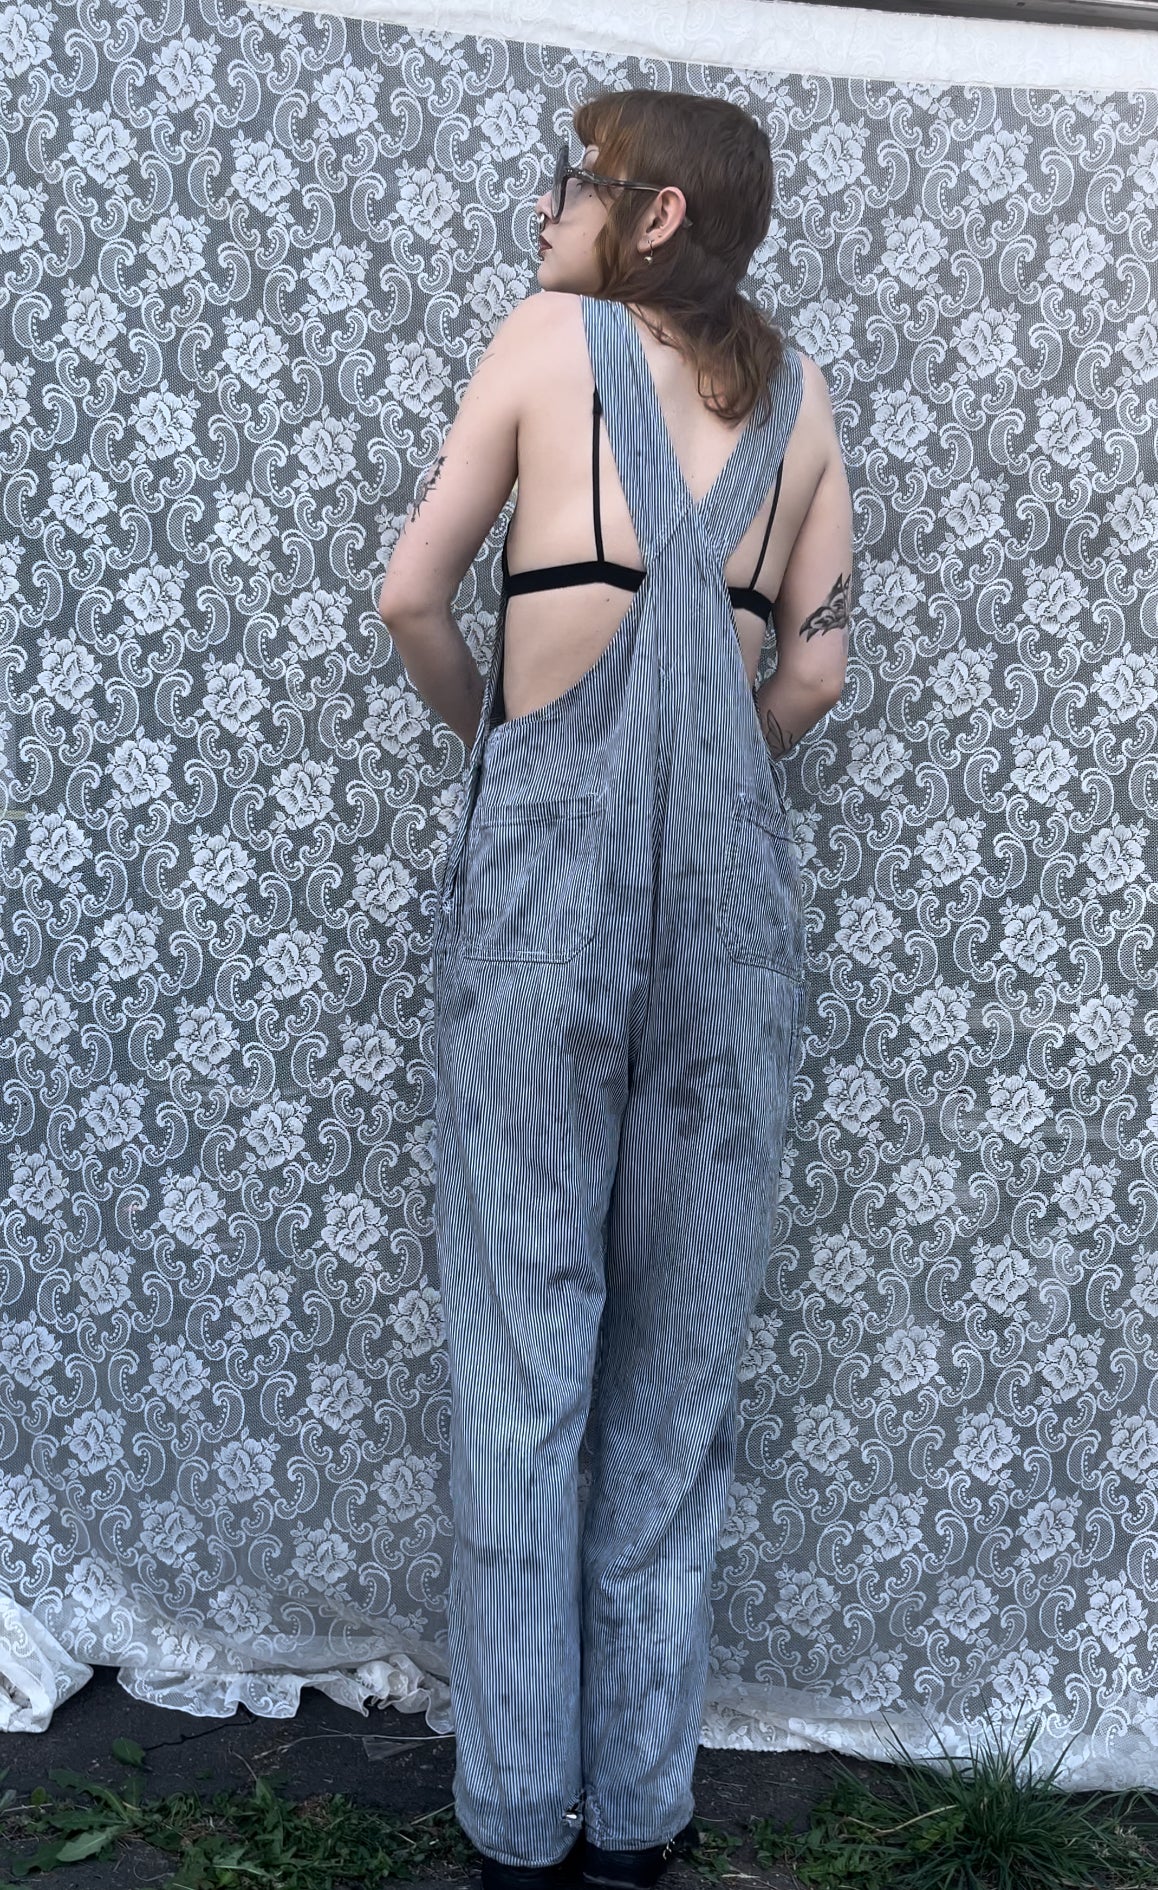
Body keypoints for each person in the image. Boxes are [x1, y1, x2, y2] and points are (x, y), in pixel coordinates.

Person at [378, 87, 852, 1890]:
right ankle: (639, 1825)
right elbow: (812, 676)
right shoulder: (799, 401)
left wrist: (513, 755)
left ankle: (517, 1827)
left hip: (541, 918)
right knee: (674, 1387)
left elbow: (413, 598)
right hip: (733, 935)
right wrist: (704, 773)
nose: (544, 210)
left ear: (650, 215)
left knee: (524, 1372)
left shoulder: (545, 342)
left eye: (570, 182)